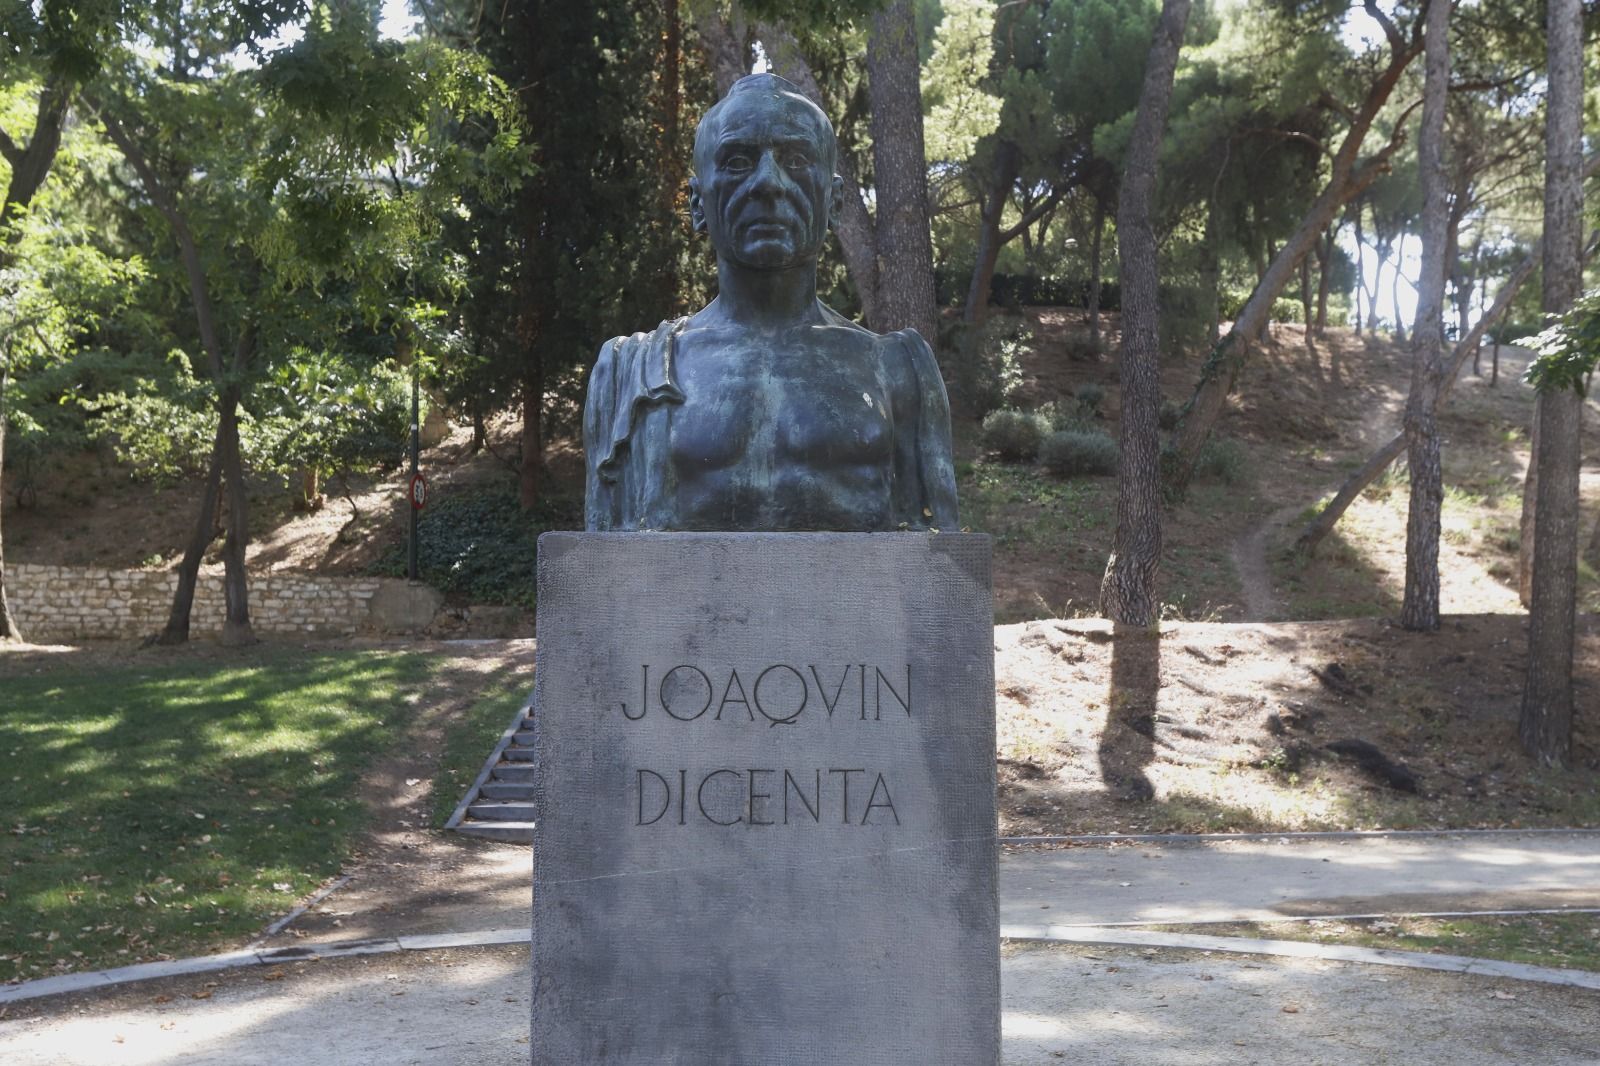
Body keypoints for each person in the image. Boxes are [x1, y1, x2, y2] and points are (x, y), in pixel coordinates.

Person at [583, 73, 958, 533]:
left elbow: (939, 566)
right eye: (738, 161)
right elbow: (605, 564)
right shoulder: (631, 374)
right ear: (699, 205)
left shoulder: (900, 371)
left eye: (797, 159)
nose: (769, 183)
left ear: (834, 202)